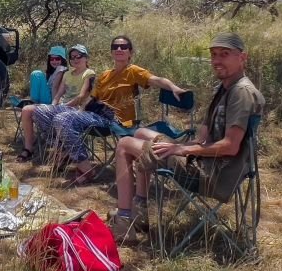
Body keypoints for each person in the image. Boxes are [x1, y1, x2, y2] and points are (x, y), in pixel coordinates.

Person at [107, 32, 265, 243]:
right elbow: (205, 134)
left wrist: (181, 149)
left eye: (224, 54)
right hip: (205, 160)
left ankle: (125, 221)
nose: (217, 60)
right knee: (141, 133)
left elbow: (230, 146)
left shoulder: (241, 93)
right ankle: (140, 208)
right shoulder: (227, 87)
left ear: (242, 57)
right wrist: (184, 145)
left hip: (213, 175)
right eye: (214, 55)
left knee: (125, 144)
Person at [28, 36, 188, 186]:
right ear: (111, 52)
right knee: (40, 111)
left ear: (130, 52)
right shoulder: (105, 75)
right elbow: (91, 99)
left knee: (62, 119)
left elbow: (156, 80)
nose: (119, 49)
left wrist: (174, 87)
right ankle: (65, 148)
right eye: (115, 46)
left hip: (115, 119)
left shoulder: (134, 71)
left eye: (123, 47)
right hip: (94, 114)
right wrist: (79, 111)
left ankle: (84, 165)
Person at [16, 44, 95, 162]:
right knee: (27, 110)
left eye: (79, 56)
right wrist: (53, 105)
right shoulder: (68, 74)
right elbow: (58, 94)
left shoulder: (89, 73)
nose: (75, 59)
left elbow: (81, 96)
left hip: (77, 110)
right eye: (72, 57)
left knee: (55, 117)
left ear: (86, 58)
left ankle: (61, 147)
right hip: (63, 107)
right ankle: (29, 148)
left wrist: (64, 106)